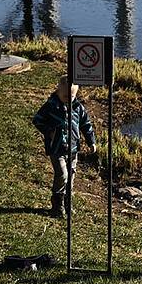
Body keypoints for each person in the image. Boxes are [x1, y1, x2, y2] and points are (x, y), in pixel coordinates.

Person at [32, 78, 98, 219]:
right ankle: (57, 204)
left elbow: (86, 124)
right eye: (65, 96)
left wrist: (91, 141)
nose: (68, 99)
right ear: (58, 92)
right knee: (62, 174)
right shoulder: (51, 106)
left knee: (71, 176)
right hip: (57, 148)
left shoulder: (78, 108)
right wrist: (49, 131)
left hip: (73, 148)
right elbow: (37, 120)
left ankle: (68, 203)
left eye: (71, 96)